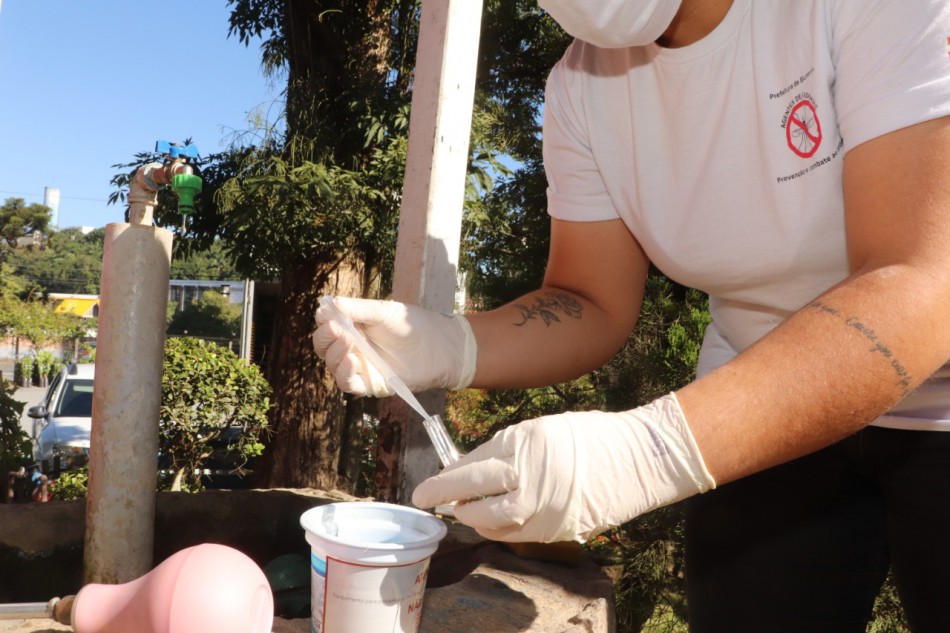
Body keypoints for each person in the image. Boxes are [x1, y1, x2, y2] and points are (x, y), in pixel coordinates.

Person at [313, 0, 950, 630]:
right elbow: (590, 300)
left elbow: (924, 279)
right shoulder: (579, 86)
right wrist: (451, 344)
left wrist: (647, 453)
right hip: (758, 417)